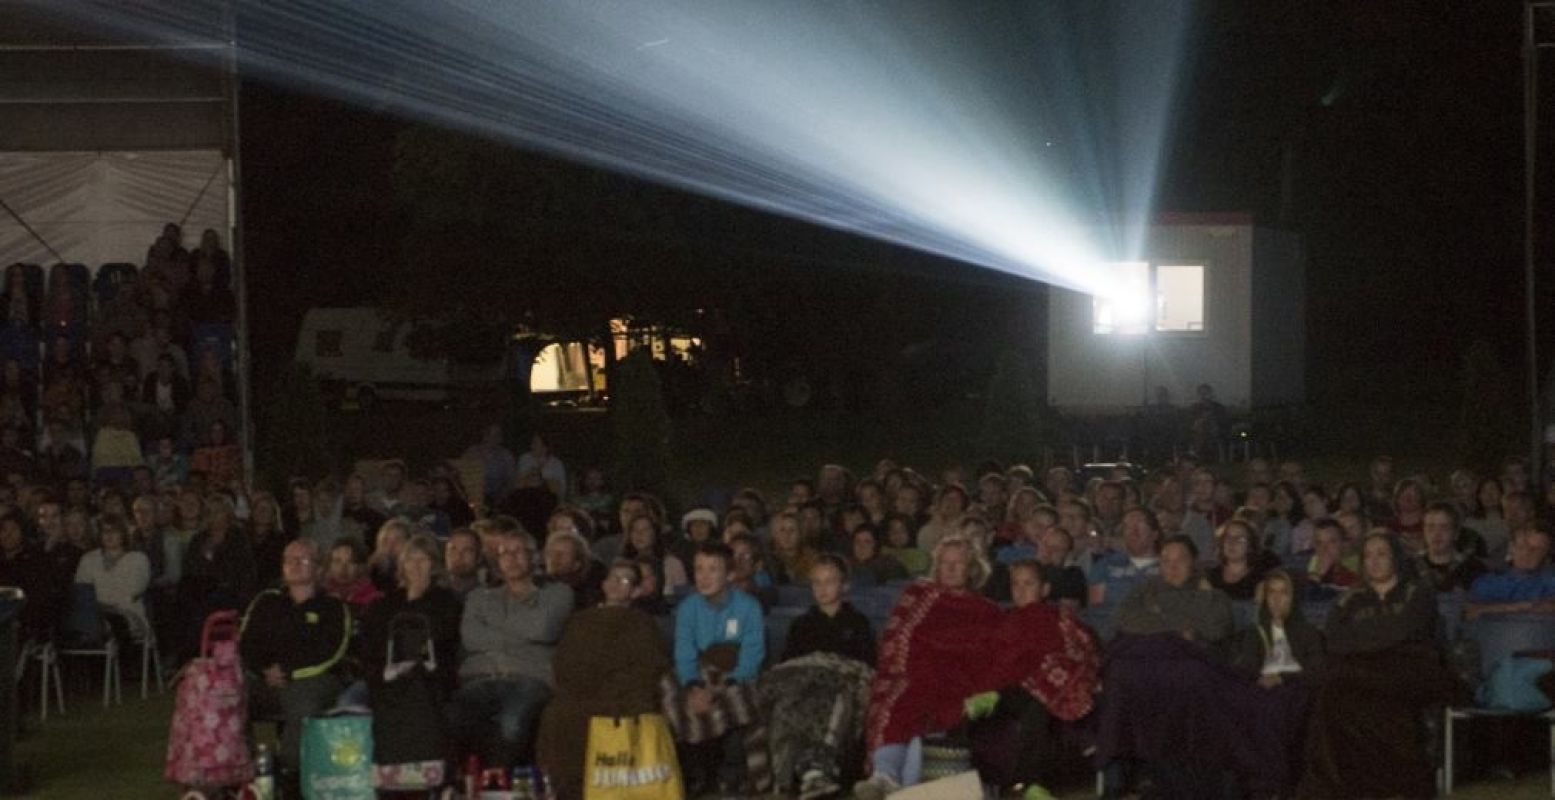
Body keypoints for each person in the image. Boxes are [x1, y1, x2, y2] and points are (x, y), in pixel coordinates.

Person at [1298, 533, 1451, 799]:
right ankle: (1331, 787)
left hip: (1409, 667)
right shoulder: (1348, 600)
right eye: (1368, 555)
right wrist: (1378, 636)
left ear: (1395, 558)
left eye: (1381, 554)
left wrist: (1362, 636)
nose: (1374, 561)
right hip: (1360, 673)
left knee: (1343, 680)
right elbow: (1335, 639)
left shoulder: (1417, 592)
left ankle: (1404, 783)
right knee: (1332, 698)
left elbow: (1404, 630)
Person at [856, 536, 1001, 799]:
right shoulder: (918, 594)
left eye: (959, 563)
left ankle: (898, 784)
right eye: (945, 563)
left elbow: (988, 654)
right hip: (915, 673)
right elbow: (898, 638)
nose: (951, 569)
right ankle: (884, 775)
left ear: (972, 568)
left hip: (959, 681)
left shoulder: (987, 610)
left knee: (933, 709)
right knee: (905, 698)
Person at [536, 560, 672, 800]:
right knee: (559, 714)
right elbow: (565, 660)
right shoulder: (581, 620)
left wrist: (617, 688)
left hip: (624, 692)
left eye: (625, 580)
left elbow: (648, 664)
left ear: (637, 590)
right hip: (581, 690)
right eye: (613, 578)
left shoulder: (642, 623)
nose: (617, 584)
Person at [967, 560, 1101, 800]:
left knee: (1039, 699)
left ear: (1045, 589)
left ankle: (1032, 783)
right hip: (1001, 689)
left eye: (1028, 583)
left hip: (1036, 690)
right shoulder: (1002, 618)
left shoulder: (1057, 617)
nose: (1020, 590)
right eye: (1015, 584)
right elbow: (991, 656)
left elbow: (1079, 649)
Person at [449, 527, 573, 767]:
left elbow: (542, 629)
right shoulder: (479, 597)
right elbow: (472, 638)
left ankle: (499, 786)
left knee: (511, 722)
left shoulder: (557, 594)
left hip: (528, 679)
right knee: (452, 718)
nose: (512, 558)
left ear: (534, 557)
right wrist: (522, 636)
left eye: (519, 552)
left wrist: (494, 628)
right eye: (505, 553)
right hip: (480, 678)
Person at [759, 555, 877, 798]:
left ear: (844, 585)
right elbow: (790, 666)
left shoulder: (858, 623)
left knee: (836, 694)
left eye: (829, 581)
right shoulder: (801, 625)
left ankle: (818, 769)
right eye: (817, 582)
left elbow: (864, 668)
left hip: (843, 690)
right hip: (805, 689)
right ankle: (799, 773)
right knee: (791, 700)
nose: (822, 589)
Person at [240, 539, 351, 777]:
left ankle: (291, 771)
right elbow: (247, 643)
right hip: (265, 679)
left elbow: (332, 651)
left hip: (312, 680)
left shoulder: (332, 607)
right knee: (228, 695)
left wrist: (290, 672)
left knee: (303, 702)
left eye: (303, 560)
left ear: (318, 568)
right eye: (289, 560)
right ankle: (243, 769)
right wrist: (263, 670)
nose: (295, 565)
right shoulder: (266, 602)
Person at [667, 541, 770, 796]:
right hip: (700, 672)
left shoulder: (748, 607)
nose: (704, 576)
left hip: (736, 673)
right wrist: (693, 686)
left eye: (713, 569)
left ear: (729, 574)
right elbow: (684, 653)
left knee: (736, 701)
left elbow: (752, 655)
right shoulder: (688, 608)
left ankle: (730, 775)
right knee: (675, 697)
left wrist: (721, 686)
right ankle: (696, 774)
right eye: (699, 569)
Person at [1227, 570, 1325, 797]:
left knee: (1276, 708)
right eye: (1272, 592)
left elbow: (1318, 670)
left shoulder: (1307, 632)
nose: (1277, 599)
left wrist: (1282, 677)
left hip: (1295, 688)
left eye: (1284, 593)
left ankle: (1274, 785)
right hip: (1261, 689)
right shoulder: (1255, 632)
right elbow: (1246, 668)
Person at [359, 532, 462, 698]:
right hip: (386, 675)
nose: (416, 566)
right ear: (402, 565)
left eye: (422, 560)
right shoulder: (384, 604)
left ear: (433, 565)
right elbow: (372, 641)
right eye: (410, 560)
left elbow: (445, 640)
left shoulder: (447, 601)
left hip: (430, 678)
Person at [73, 514, 152, 644]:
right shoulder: (88, 559)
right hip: (94, 616)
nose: (109, 535)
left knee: (109, 623)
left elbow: (129, 593)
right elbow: (83, 593)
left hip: (127, 615)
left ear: (123, 534)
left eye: (114, 531)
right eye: (105, 531)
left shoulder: (138, 559)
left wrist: (102, 603)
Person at [1466, 527, 1555, 619]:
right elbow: (1470, 613)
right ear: (1511, 548)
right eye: (1521, 546)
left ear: (1547, 554)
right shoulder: (1488, 582)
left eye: (1535, 549)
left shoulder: (1551, 581)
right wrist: (1519, 607)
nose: (1526, 553)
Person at [1087, 507, 1163, 607]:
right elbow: (1096, 607)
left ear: (1155, 534)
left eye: (1140, 525)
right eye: (1128, 527)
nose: (1133, 532)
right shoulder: (1106, 564)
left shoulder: (1166, 566)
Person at [1416, 502, 1487, 593]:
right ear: (1423, 532)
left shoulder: (1473, 568)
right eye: (1430, 527)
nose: (1437, 534)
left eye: (1444, 527)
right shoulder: (1410, 568)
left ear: (1456, 533)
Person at [620, 512, 688, 597]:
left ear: (655, 533)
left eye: (645, 530)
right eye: (634, 530)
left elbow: (682, 597)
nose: (639, 534)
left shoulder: (672, 564)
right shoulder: (621, 564)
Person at [543, 528, 606, 609]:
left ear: (577, 564)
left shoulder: (583, 597)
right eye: (550, 552)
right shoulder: (536, 585)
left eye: (561, 554)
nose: (554, 558)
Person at [1206, 518, 1265, 601]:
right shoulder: (1210, 577)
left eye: (1240, 539)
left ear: (1250, 546)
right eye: (1228, 537)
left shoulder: (1259, 580)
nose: (1232, 542)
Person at [515, 433, 566, 500]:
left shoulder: (556, 464)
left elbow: (559, 489)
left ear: (545, 447)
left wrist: (541, 477)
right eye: (532, 443)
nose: (532, 446)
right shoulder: (524, 459)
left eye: (535, 443)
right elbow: (518, 485)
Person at [441, 527, 483, 598]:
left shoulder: (487, 596)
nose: (458, 556)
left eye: (467, 551)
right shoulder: (430, 592)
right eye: (453, 550)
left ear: (478, 557)